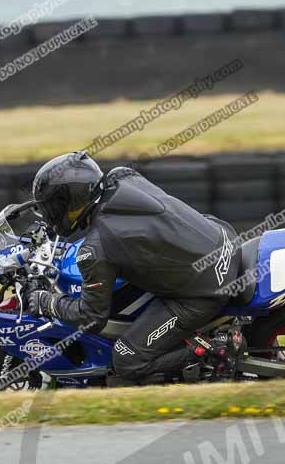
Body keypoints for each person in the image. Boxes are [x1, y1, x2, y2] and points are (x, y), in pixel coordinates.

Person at [25, 151, 240, 384]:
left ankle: (215, 352)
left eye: (55, 207)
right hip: (223, 239)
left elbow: (91, 318)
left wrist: (47, 302)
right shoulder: (123, 176)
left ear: (73, 200)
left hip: (205, 291)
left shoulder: (95, 248)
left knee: (127, 359)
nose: (51, 214)